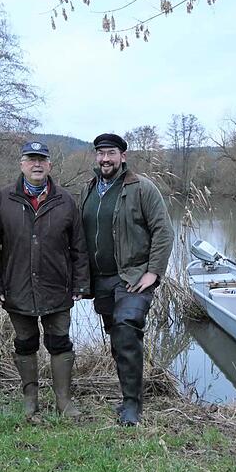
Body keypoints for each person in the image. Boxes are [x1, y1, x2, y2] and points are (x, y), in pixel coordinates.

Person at [0, 141, 89, 419]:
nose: (37, 164)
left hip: (57, 289)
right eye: (31, 159)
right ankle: (31, 400)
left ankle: (64, 401)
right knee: (25, 343)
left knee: (60, 342)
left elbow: (79, 246)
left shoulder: (65, 200)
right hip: (17, 288)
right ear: (22, 164)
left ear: (50, 165)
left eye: (42, 160)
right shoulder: (4, 199)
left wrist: (80, 284)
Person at [80, 133, 174, 425]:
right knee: (116, 338)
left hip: (133, 277)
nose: (105, 159)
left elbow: (163, 231)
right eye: (100, 153)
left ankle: (133, 405)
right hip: (102, 280)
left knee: (126, 329)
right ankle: (126, 396)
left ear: (123, 156)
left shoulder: (142, 188)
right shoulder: (89, 189)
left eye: (111, 153)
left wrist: (153, 271)